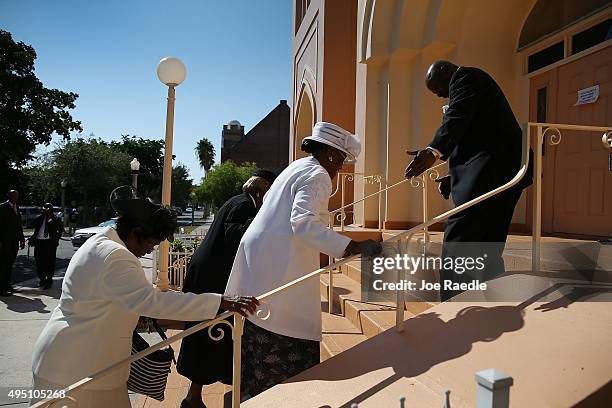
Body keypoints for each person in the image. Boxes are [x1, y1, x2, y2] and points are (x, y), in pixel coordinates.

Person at [31, 186, 259, 408]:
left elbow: (128, 298)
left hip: (76, 363)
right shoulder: (116, 256)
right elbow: (152, 303)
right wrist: (220, 301)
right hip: (81, 368)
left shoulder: (101, 242)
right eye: (150, 243)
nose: (149, 251)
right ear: (136, 233)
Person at [225, 122, 382, 397]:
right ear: (332, 155)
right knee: (285, 338)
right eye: (342, 160)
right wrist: (351, 247)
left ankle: (252, 396)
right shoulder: (318, 175)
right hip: (279, 266)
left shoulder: (296, 167)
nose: (340, 168)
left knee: (256, 330)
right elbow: (304, 223)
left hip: (261, 262)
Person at [404, 60, 533, 301]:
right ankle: (490, 291)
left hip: (496, 170)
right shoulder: (474, 87)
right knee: (489, 235)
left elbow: (457, 118)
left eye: (438, 89)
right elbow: (479, 138)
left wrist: (433, 151)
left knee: (461, 232)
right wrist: (454, 177)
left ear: (446, 71)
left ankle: (454, 300)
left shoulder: (467, 77)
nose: (441, 96)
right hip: (502, 169)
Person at [178, 169, 277, 408]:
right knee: (207, 334)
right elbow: (237, 236)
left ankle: (200, 395)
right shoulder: (244, 205)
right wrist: (265, 220)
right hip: (211, 279)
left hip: (212, 277)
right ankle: (194, 397)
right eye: (270, 195)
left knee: (215, 335)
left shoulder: (238, 202)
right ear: (258, 190)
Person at [29, 203, 64, 289]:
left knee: (49, 263)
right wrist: (42, 215)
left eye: (48, 209)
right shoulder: (40, 218)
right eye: (45, 208)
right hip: (39, 243)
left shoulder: (55, 219)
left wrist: (49, 219)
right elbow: (31, 225)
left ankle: (49, 280)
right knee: (39, 262)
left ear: (51, 210)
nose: (46, 210)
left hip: (50, 244)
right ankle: (42, 280)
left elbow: (60, 229)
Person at [0, 190, 26, 296]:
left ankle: (7, 286)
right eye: (13, 195)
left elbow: (18, 225)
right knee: (2, 265)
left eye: (17, 195)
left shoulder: (17, 207)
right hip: (4, 242)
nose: (16, 197)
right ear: (9, 196)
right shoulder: (2, 207)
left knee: (10, 265)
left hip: (14, 241)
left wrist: (22, 238)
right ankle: (1, 289)